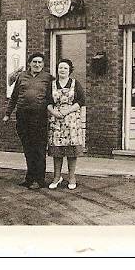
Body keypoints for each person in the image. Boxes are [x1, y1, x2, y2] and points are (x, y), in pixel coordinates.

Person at [3, 52, 53, 189]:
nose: (37, 64)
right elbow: (14, 97)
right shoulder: (21, 76)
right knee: (28, 148)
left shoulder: (48, 78)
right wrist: (8, 114)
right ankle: (30, 178)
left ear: (43, 65)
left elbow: (55, 96)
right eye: (34, 62)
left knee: (39, 148)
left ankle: (40, 180)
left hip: (40, 117)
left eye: (40, 62)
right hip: (23, 116)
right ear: (30, 63)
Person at [46, 58, 86, 190]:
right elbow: (48, 102)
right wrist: (54, 112)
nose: (62, 70)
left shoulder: (75, 84)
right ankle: (57, 177)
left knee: (71, 150)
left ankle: (71, 177)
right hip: (56, 121)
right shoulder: (52, 85)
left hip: (72, 121)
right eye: (60, 68)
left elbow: (81, 101)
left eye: (65, 68)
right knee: (57, 150)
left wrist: (68, 110)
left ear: (69, 71)